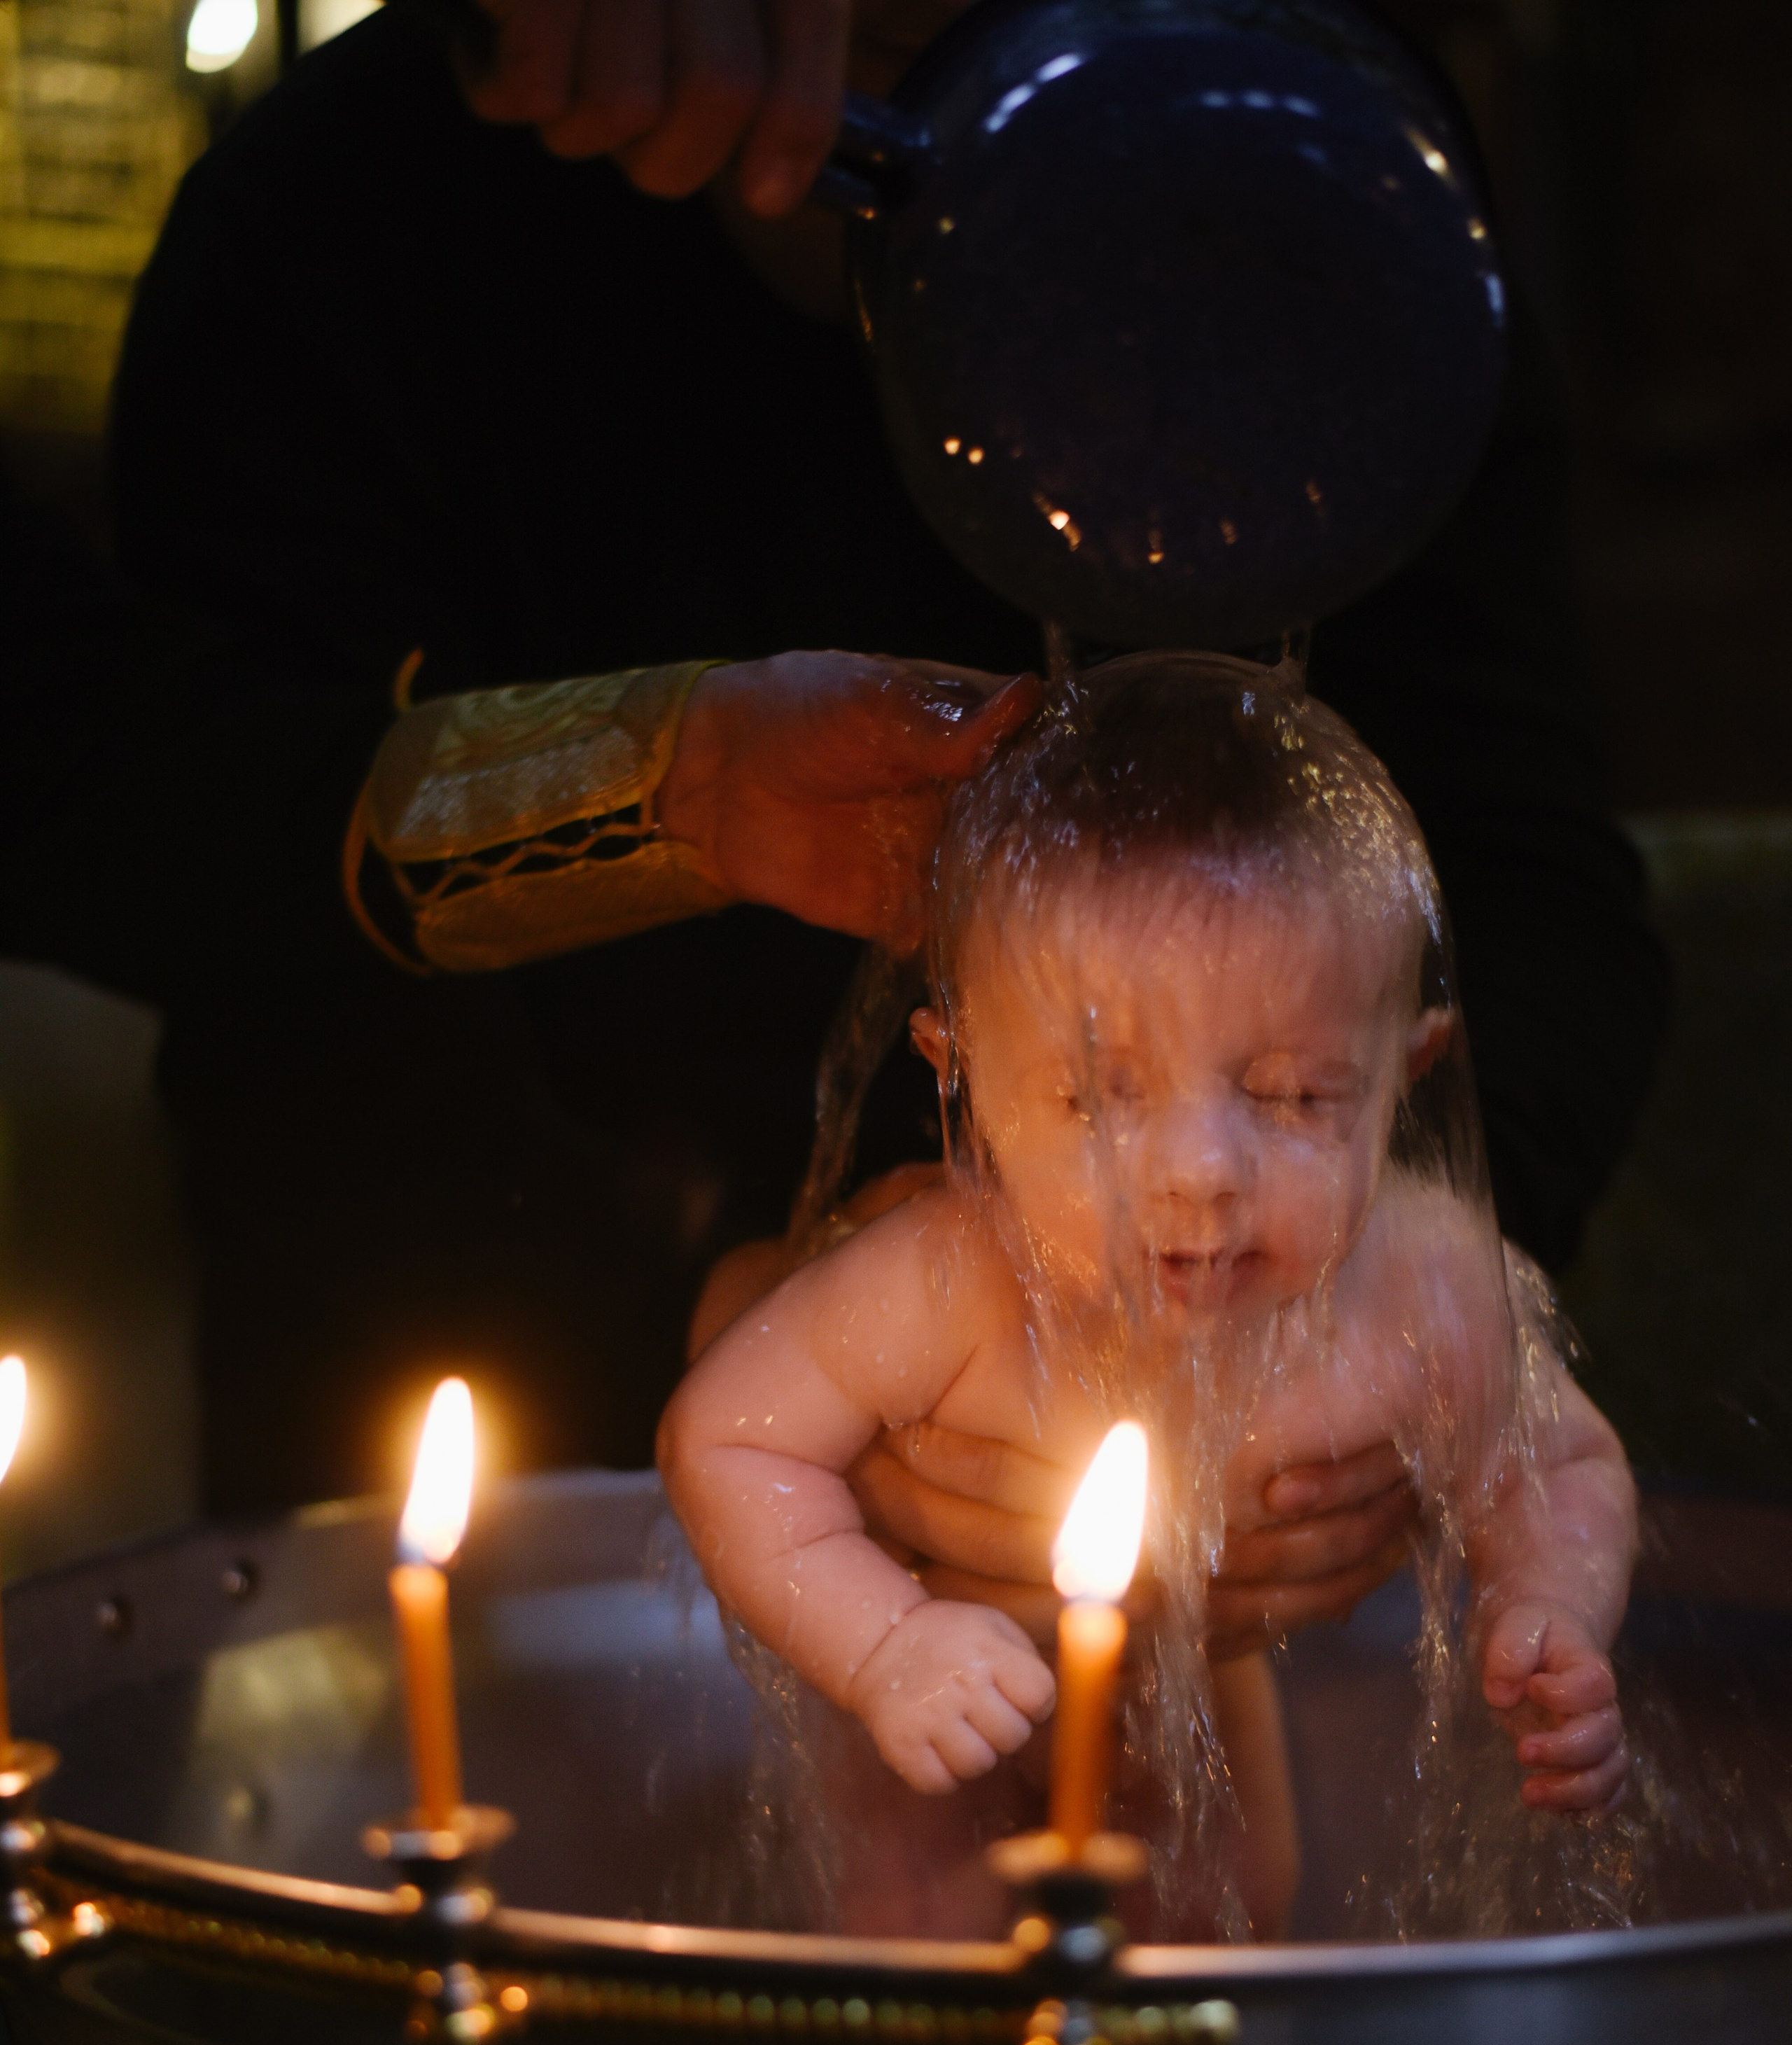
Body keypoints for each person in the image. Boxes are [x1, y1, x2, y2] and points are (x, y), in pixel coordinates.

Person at [101, 0, 1664, 1644]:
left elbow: (1538, 888)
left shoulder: (1311, 197)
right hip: (479, 1524)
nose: (1192, 1170)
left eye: (1288, 1090)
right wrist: (767, 1349)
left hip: (1235, 1538)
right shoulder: (346, 239)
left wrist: (1383, 1306)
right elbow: (243, 948)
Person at [659, 657, 1637, 1938]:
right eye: (1093, 1097)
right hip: (934, 1718)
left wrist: (1549, 1609)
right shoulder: (942, 1277)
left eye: (1293, 1096)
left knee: (1230, 1915)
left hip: (1203, 1712)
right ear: (965, 1083)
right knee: (911, 1948)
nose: (1196, 1180)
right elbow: (725, 1438)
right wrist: (887, 1643)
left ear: (1408, 1079)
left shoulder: (1424, 1275)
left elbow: (1556, 1461)